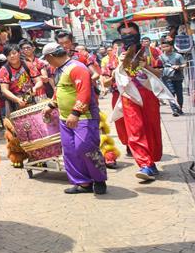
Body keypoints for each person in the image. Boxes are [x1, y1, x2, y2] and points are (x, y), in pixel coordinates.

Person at [41, 43, 107, 195]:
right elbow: (60, 91)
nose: (47, 62)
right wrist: (51, 105)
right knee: (70, 151)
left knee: (86, 148)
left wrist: (76, 113)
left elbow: (84, 91)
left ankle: (99, 179)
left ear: (50, 56)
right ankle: (83, 183)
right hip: (65, 118)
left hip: (84, 116)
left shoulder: (77, 68)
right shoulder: (58, 70)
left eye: (46, 59)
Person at [113, 22, 171, 182]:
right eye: (124, 34)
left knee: (151, 128)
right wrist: (120, 67)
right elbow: (109, 78)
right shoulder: (116, 53)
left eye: (131, 33)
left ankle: (151, 161)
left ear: (138, 33)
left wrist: (145, 66)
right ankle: (144, 164)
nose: (128, 37)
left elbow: (160, 73)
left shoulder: (151, 52)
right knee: (135, 129)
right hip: (129, 95)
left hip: (149, 93)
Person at [159, 40, 186, 116]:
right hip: (166, 78)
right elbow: (158, 67)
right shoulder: (160, 57)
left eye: (167, 46)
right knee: (171, 94)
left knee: (179, 94)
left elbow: (184, 64)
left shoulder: (178, 56)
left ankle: (180, 108)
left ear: (171, 46)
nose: (165, 48)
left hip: (178, 78)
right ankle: (174, 110)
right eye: (163, 47)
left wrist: (179, 66)